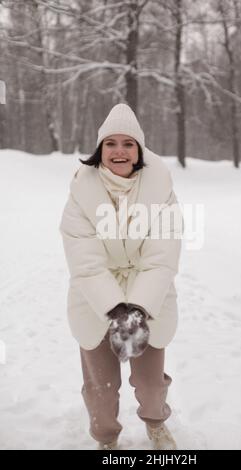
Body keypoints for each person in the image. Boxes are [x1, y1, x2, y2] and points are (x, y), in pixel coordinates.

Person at [59, 103, 183, 450]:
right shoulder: (80, 194)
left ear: (139, 150)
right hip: (95, 299)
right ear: (100, 149)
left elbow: (162, 256)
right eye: (110, 143)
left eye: (128, 143)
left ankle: (156, 423)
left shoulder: (162, 190)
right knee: (101, 387)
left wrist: (137, 310)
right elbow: (85, 261)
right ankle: (106, 438)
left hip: (148, 300)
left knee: (150, 384)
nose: (119, 151)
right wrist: (116, 309)